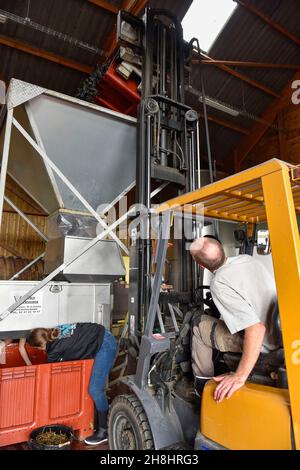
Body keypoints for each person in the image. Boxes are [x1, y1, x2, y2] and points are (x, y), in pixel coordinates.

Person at [190, 237, 278, 403]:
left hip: (263, 343)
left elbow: (256, 329)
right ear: (222, 248)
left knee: (198, 324)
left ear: (201, 266)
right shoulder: (248, 259)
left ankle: (202, 387)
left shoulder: (219, 283)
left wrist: (239, 376)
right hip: (278, 330)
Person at [27, 322, 117, 446]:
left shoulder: (54, 349)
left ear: (41, 345)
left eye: (38, 349)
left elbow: (49, 372)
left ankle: (104, 431)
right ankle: (101, 421)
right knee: (94, 386)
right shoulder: (55, 331)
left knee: (95, 389)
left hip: (104, 345)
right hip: (102, 335)